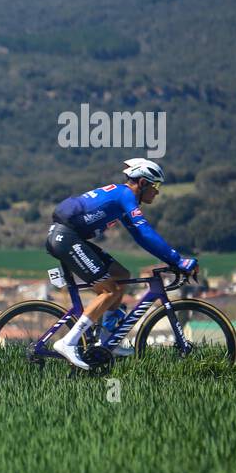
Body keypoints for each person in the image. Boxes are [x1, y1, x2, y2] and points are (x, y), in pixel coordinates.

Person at [46, 157, 198, 370]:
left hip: (70, 236)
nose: (158, 192)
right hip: (66, 237)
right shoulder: (126, 196)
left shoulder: (124, 199)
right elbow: (145, 232)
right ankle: (68, 342)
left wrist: (172, 259)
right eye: (156, 186)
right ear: (143, 183)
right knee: (108, 290)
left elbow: (141, 236)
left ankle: (108, 339)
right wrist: (178, 260)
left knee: (120, 274)